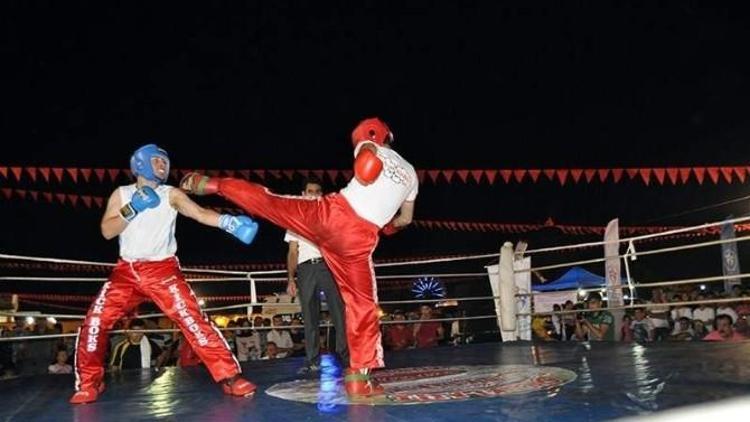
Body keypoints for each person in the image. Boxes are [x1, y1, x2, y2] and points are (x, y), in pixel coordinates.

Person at [180, 117, 418, 397]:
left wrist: (367, 159)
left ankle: (212, 184)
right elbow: (405, 219)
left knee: (271, 201)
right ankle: (358, 377)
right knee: (362, 306)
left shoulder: (371, 145)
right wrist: (386, 228)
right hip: (359, 240)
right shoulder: (411, 173)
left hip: (332, 215)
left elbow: (366, 163)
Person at [70, 144, 259, 404]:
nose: (163, 165)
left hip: (162, 270)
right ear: (140, 164)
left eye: (165, 162)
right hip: (125, 272)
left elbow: (200, 213)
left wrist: (229, 223)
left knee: (192, 320)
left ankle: (230, 377)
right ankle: (89, 384)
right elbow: (107, 231)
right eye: (157, 160)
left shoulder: (171, 193)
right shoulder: (122, 194)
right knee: (94, 323)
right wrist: (133, 208)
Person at [284, 177, 348, 374]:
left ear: (321, 194)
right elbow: (292, 252)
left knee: (338, 312)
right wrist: (290, 278)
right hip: (305, 269)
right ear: (303, 194)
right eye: (309, 191)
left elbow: (340, 245)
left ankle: (347, 357)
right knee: (309, 316)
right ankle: (312, 359)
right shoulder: (294, 219)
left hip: (328, 267)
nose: (313, 194)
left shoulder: (329, 216)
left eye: (317, 191)